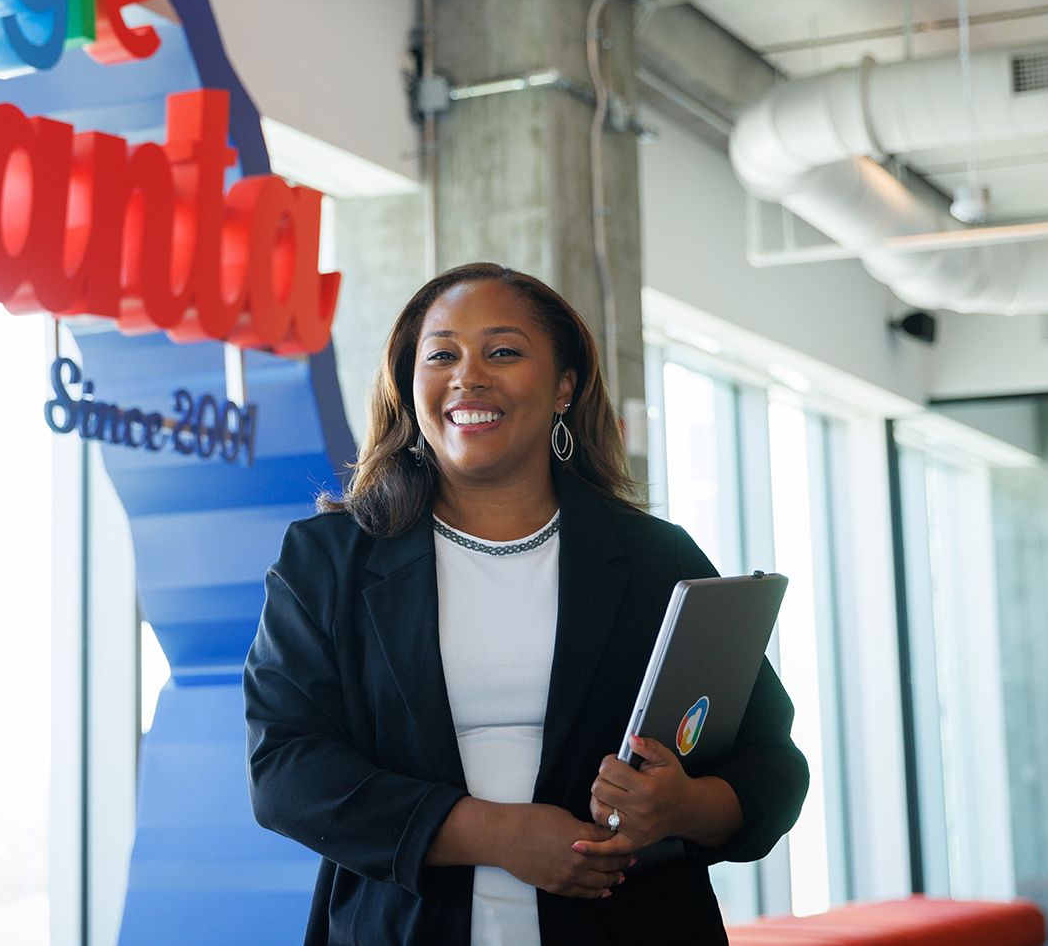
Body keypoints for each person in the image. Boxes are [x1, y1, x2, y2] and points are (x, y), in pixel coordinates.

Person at [244, 262, 807, 944]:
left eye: (503, 352)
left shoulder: (658, 560)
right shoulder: (328, 559)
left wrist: (683, 806)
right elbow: (286, 771)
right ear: (407, 383)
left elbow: (771, 766)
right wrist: (502, 834)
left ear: (565, 385)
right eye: (442, 354)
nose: (468, 376)